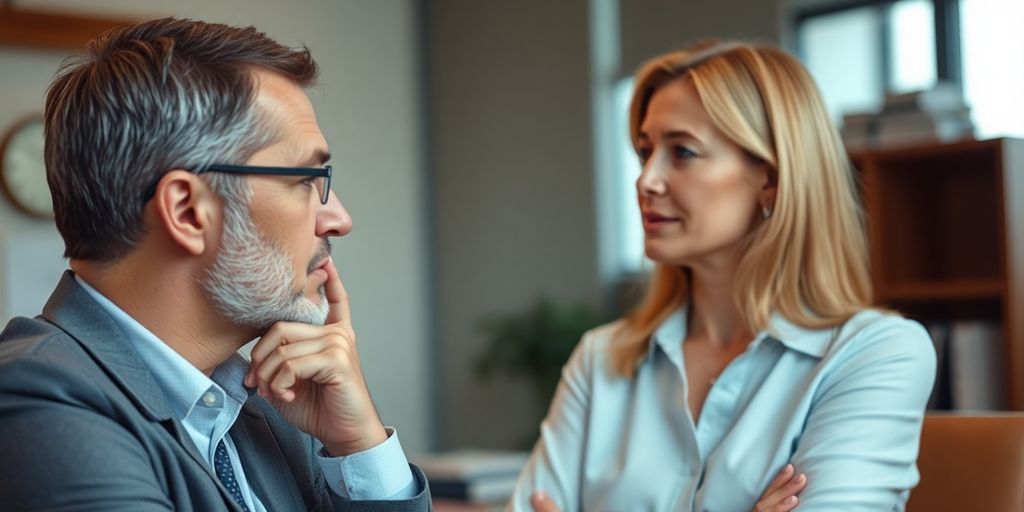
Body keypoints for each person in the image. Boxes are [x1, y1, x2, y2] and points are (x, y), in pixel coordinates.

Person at [0, 18, 430, 511]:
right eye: (306, 180)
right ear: (187, 212)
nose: (339, 219)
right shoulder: (38, 406)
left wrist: (360, 448)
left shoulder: (271, 407)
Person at [510, 41, 936, 511]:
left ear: (770, 179)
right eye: (645, 151)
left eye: (684, 152)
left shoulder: (876, 353)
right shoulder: (599, 361)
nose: (646, 180)